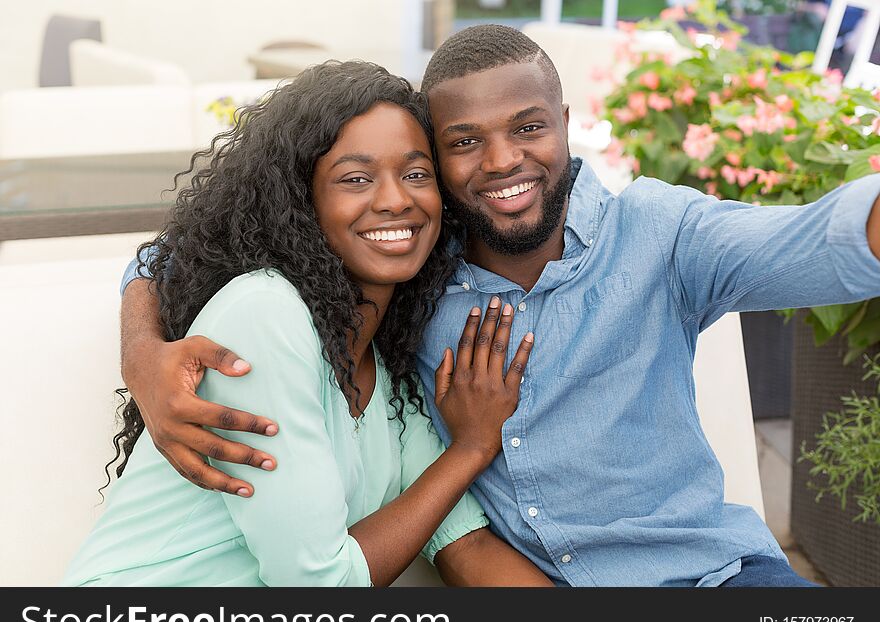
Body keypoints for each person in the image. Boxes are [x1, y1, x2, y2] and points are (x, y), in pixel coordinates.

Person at [117, 26, 880, 587]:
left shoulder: (662, 234)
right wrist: (145, 356)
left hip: (717, 578)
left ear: (565, 123)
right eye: (464, 142)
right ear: (441, 164)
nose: (505, 160)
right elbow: (172, 254)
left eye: (528, 128)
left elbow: (823, 238)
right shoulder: (409, 284)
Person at [63, 60, 553, 587]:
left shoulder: (383, 377)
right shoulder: (265, 314)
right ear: (302, 202)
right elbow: (319, 585)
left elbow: (466, 543)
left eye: (416, 174)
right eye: (355, 179)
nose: (395, 200)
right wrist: (471, 448)